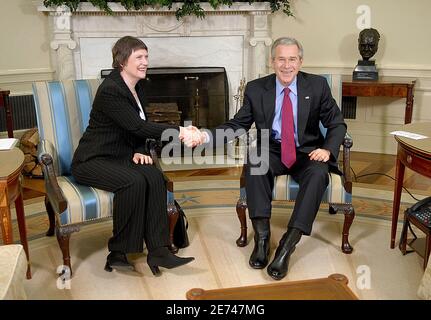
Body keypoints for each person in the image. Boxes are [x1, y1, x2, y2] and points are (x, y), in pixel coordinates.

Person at [188, 37, 347, 280]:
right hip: (272, 148)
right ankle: (262, 239)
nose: (286, 65)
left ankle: (287, 245)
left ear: (300, 61)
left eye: (292, 59)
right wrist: (206, 137)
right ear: (272, 62)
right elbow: (237, 125)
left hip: (307, 151)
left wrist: (327, 149)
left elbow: (336, 123)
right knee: (255, 163)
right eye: (281, 59)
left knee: (318, 174)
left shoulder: (316, 86)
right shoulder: (256, 88)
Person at [71, 36, 196, 275]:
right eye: (139, 57)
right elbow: (138, 127)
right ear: (122, 60)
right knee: (134, 181)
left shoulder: (137, 86)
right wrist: (180, 131)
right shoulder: (110, 90)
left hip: (121, 155)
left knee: (155, 177)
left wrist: (139, 150)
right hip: (92, 160)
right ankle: (118, 251)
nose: (145, 62)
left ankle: (159, 251)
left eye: (146, 56)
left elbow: (138, 126)